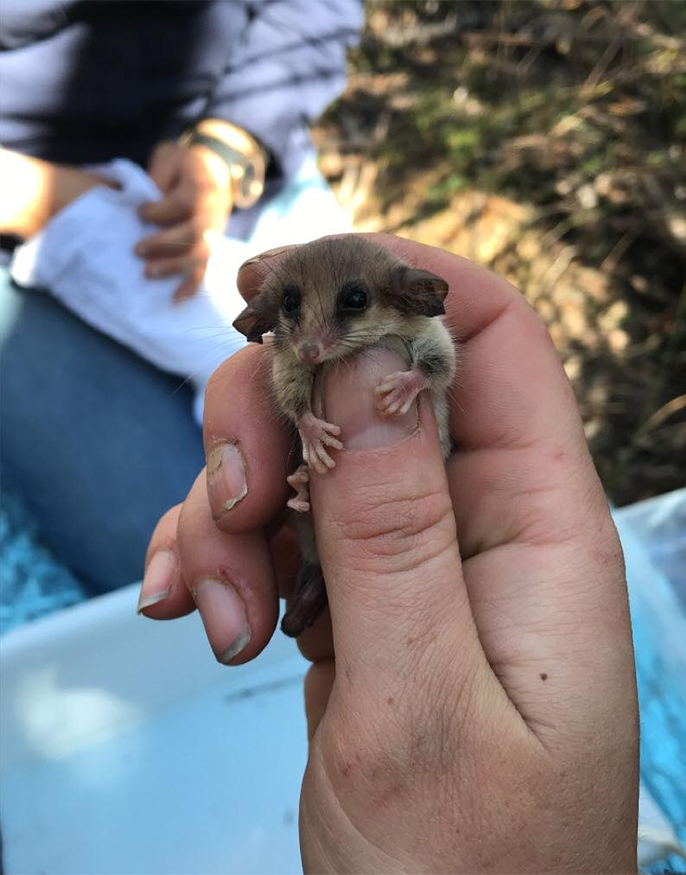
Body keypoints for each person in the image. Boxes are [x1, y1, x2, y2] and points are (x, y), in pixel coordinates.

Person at [141, 235, 640, 872]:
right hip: (337, 518)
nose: (312, 341)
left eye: (349, 306)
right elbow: (292, 383)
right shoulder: (297, 353)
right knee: (298, 483)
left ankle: (313, 564)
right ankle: (312, 550)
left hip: (437, 494)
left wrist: (410, 379)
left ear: (402, 299)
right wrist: (307, 424)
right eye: (293, 313)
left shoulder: (416, 327)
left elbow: (436, 358)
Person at [0, 0, 363, 595]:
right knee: (198, 557)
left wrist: (229, 146)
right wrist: (49, 198)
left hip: (225, 155)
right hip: (20, 212)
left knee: (349, 466)